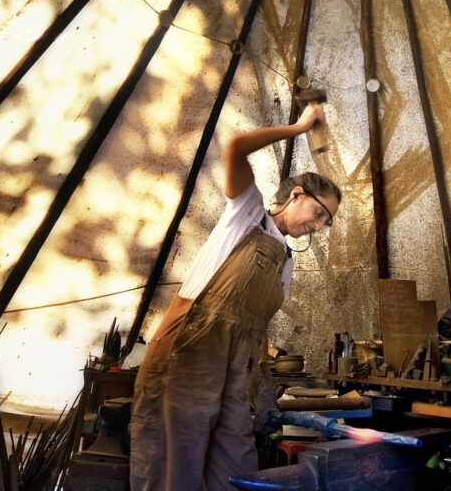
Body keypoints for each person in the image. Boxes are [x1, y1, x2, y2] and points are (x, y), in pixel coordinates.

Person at [129, 101, 341, 490]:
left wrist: (258, 380)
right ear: (296, 195)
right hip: (190, 354)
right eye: (319, 213)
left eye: (327, 222)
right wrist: (298, 128)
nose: (320, 226)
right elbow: (236, 147)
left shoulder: (286, 263)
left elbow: (256, 327)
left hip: (235, 372)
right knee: (175, 466)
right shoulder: (247, 212)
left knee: (235, 470)